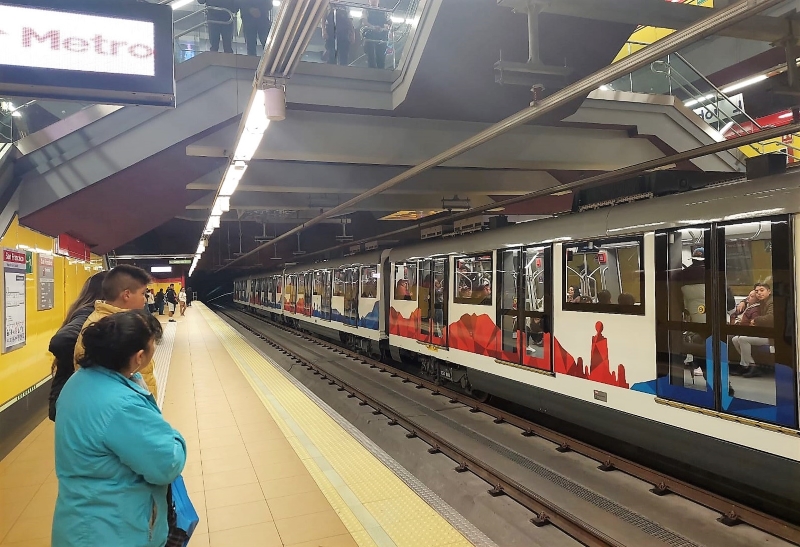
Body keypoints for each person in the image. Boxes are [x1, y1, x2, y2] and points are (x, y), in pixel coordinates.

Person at [53, 311, 186, 547]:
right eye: (153, 344)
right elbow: (167, 464)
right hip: (115, 531)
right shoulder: (122, 406)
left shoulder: (79, 381)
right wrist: (175, 437)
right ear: (139, 357)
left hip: (82, 521)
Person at [74, 265, 159, 398]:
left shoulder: (121, 321)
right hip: (125, 408)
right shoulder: (105, 328)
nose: (145, 299)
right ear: (127, 294)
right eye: (143, 293)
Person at [47, 272, 107, 422]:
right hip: (75, 397)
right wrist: (91, 366)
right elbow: (61, 341)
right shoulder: (88, 314)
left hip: (70, 395)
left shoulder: (84, 310)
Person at [731, 282, 774, 378]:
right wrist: (744, 301)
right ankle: (746, 365)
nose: (759, 293)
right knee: (735, 339)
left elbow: (771, 317)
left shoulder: (771, 302)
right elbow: (749, 297)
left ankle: (751, 366)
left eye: (762, 290)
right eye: (757, 291)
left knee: (742, 339)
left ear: (769, 291)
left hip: (771, 337)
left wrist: (755, 320)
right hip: (763, 334)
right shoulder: (762, 301)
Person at [362, 0, 390, 69]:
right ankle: (371, 73)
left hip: (382, 35)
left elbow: (389, 22)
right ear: (369, 1)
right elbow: (364, 21)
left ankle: (381, 73)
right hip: (370, 35)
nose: (373, 1)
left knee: (381, 56)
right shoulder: (366, 10)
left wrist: (385, 27)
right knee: (371, 56)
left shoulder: (383, 11)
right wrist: (373, 27)